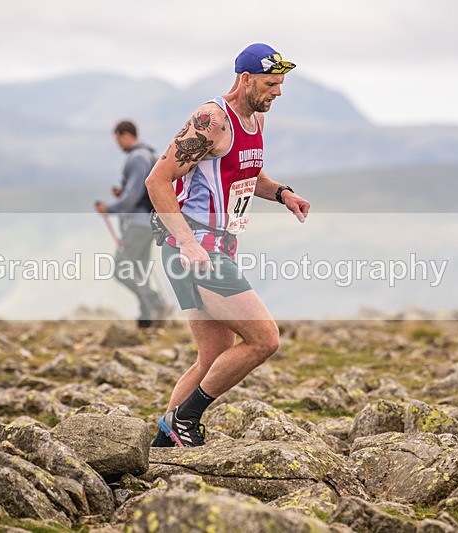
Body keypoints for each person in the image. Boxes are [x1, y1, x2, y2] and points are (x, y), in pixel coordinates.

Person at [145, 43, 310, 447]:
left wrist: (282, 193)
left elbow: (245, 172)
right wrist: (188, 243)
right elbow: (157, 181)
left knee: (214, 353)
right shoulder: (211, 120)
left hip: (217, 244)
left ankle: (167, 441)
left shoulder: (254, 121)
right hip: (194, 248)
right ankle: (185, 420)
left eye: (282, 84)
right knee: (264, 339)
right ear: (246, 79)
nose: (278, 92)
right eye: (271, 84)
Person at [95, 120, 170, 328]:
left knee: (121, 268)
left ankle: (156, 303)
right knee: (139, 268)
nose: (118, 144)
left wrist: (109, 209)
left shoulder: (137, 158)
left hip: (139, 223)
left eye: (118, 139)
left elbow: (133, 195)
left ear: (125, 135)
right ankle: (147, 318)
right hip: (150, 223)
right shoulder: (148, 155)